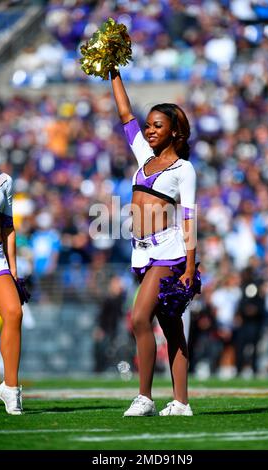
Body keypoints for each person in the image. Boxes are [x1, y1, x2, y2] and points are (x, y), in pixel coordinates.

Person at [110, 70, 197, 416]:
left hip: (170, 252)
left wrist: (190, 265)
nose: (149, 130)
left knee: (139, 318)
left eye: (157, 126)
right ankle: (181, 403)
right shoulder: (144, 157)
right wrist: (112, 68)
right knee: (171, 328)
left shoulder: (183, 169)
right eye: (148, 126)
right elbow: (125, 114)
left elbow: (188, 217)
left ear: (174, 130)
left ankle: (144, 397)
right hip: (142, 253)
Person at [0, 129, 23, 415]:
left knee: (14, 313)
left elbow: (8, 227)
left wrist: (13, 269)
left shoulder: (4, 182)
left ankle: (11, 388)